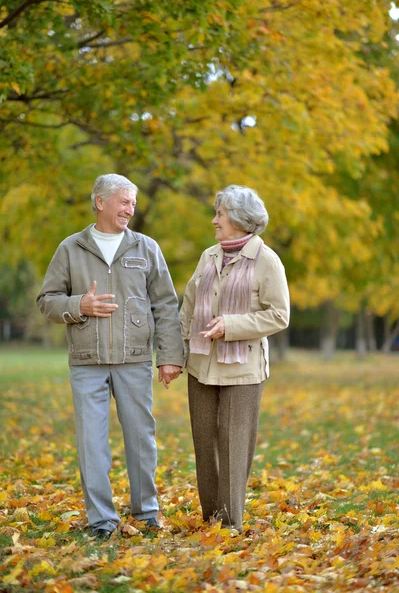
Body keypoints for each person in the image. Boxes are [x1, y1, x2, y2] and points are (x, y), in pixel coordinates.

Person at [37, 174, 183, 540]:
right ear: (100, 202)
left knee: (141, 439)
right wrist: (78, 305)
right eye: (123, 201)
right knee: (91, 443)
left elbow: (166, 304)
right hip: (87, 361)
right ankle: (102, 520)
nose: (130, 209)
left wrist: (169, 356)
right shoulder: (70, 248)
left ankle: (146, 513)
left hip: (134, 359)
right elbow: (47, 300)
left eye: (133, 203)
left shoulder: (146, 247)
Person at [180, 184, 290, 533]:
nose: (214, 221)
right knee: (204, 443)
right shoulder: (209, 255)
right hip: (200, 366)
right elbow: (188, 306)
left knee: (233, 444)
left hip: (242, 369)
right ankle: (211, 518)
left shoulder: (266, 260)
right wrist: (174, 354)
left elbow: (279, 315)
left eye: (220, 215)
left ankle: (230, 523)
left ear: (240, 220)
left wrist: (231, 325)